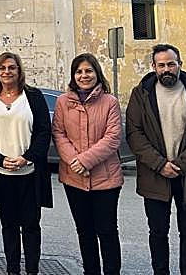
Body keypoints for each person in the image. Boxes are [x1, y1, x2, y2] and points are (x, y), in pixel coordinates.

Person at [126, 43, 186, 275]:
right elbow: (134, 134)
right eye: (161, 65)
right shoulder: (141, 94)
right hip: (155, 176)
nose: (167, 69)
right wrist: (160, 164)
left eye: (171, 64)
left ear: (180, 64)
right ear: (154, 67)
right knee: (157, 233)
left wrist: (181, 164)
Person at [0, 52, 52, 275]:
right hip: (0, 173)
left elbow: (43, 132)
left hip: (30, 172)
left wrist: (27, 157)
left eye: (11, 67)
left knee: (30, 225)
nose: (6, 72)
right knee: (8, 226)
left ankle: (32, 270)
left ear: (19, 71)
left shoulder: (33, 97)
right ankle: (12, 270)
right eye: (2, 68)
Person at [52, 53, 123, 275]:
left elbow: (112, 138)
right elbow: (58, 133)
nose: (84, 75)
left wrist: (84, 160)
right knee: (85, 231)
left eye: (89, 71)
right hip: (73, 178)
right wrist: (74, 162)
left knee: (107, 231)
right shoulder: (63, 102)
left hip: (106, 180)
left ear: (97, 73)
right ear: (74, 75)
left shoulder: (110, 102)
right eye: (79, 71)